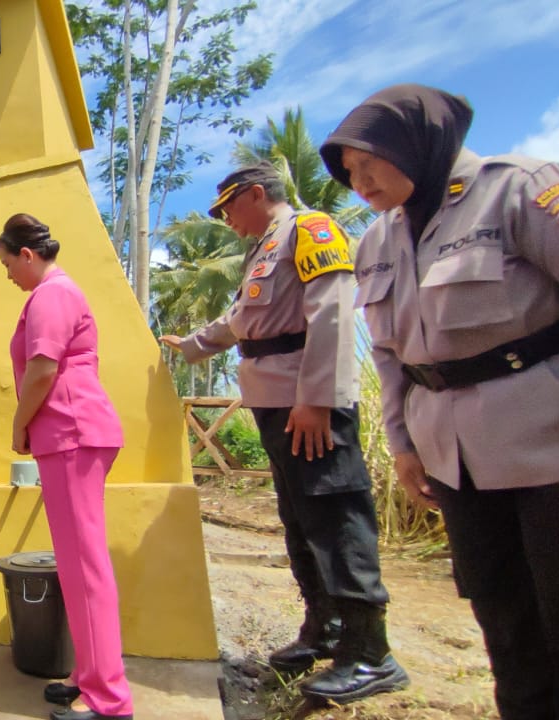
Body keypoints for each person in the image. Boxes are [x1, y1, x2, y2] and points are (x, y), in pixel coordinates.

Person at [320, 84, 559, 720]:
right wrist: (402, 444)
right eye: (349, 172)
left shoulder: (518, 191)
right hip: (457, 460)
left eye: (368, 163)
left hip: (547, 444)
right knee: (501, 617)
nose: (359, 182)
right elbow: (389, 356)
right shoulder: (376, 241)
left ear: (415, 145)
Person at [159, 164, 409, 705]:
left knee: (335, 514)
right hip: (276, 402)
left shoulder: (311, 230)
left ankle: (370, 650)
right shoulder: (262, 249)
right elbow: (243, 320)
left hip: (308, 403)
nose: (225, 218)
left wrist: (317, 399)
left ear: (255, 194)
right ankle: (326, 628)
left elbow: (332, 313)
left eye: (228, 206)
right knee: (300, 517)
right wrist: (193, 344)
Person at [0, 213, 132, 720]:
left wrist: (19, 425)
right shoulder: (53, 293)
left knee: (84, 566)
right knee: (75, 567)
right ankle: (89, 675)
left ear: (27, 255)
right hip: (68, 436)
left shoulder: (51, 294)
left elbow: (42, 369)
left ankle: (109, 699)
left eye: (8, 264)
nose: (8, 274)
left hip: (72, 433)